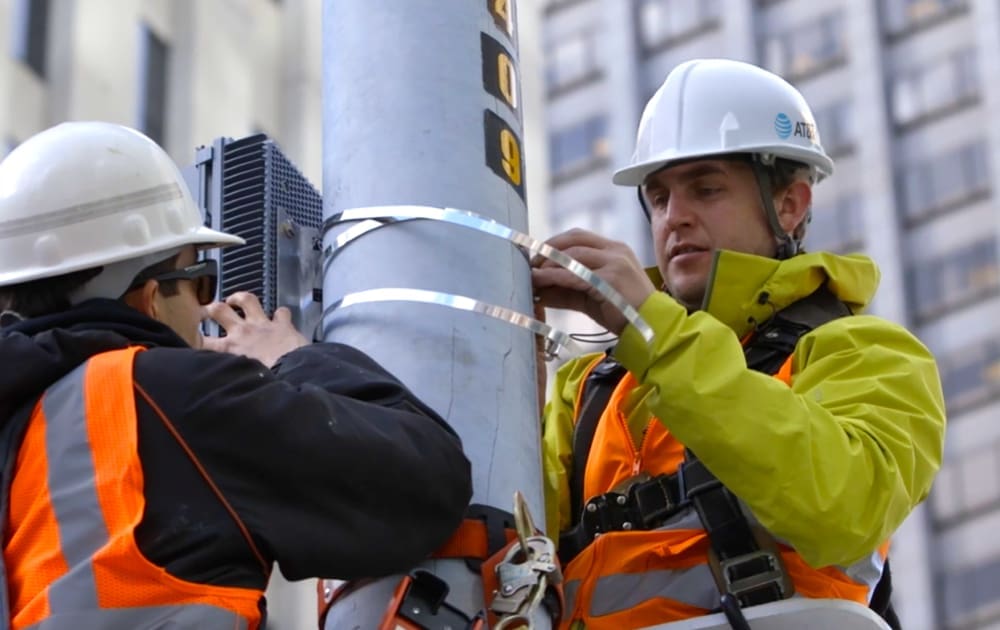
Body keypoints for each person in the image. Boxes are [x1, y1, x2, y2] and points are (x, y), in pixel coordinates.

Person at [0, 122, 472, 629]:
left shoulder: (22, 427)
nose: (208, 310)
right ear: (149, 298)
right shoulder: (165, 392)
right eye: (201, 283)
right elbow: (425, 481)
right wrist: (292, 357)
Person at [532, 58, 945, 629]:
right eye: (658, 197)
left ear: (790, 204)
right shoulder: (590, 389)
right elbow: (503, 557)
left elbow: (844, 507)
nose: (675, 218)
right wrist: (506, 381)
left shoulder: (866, 353)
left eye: (706, 189)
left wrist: (651, 331)